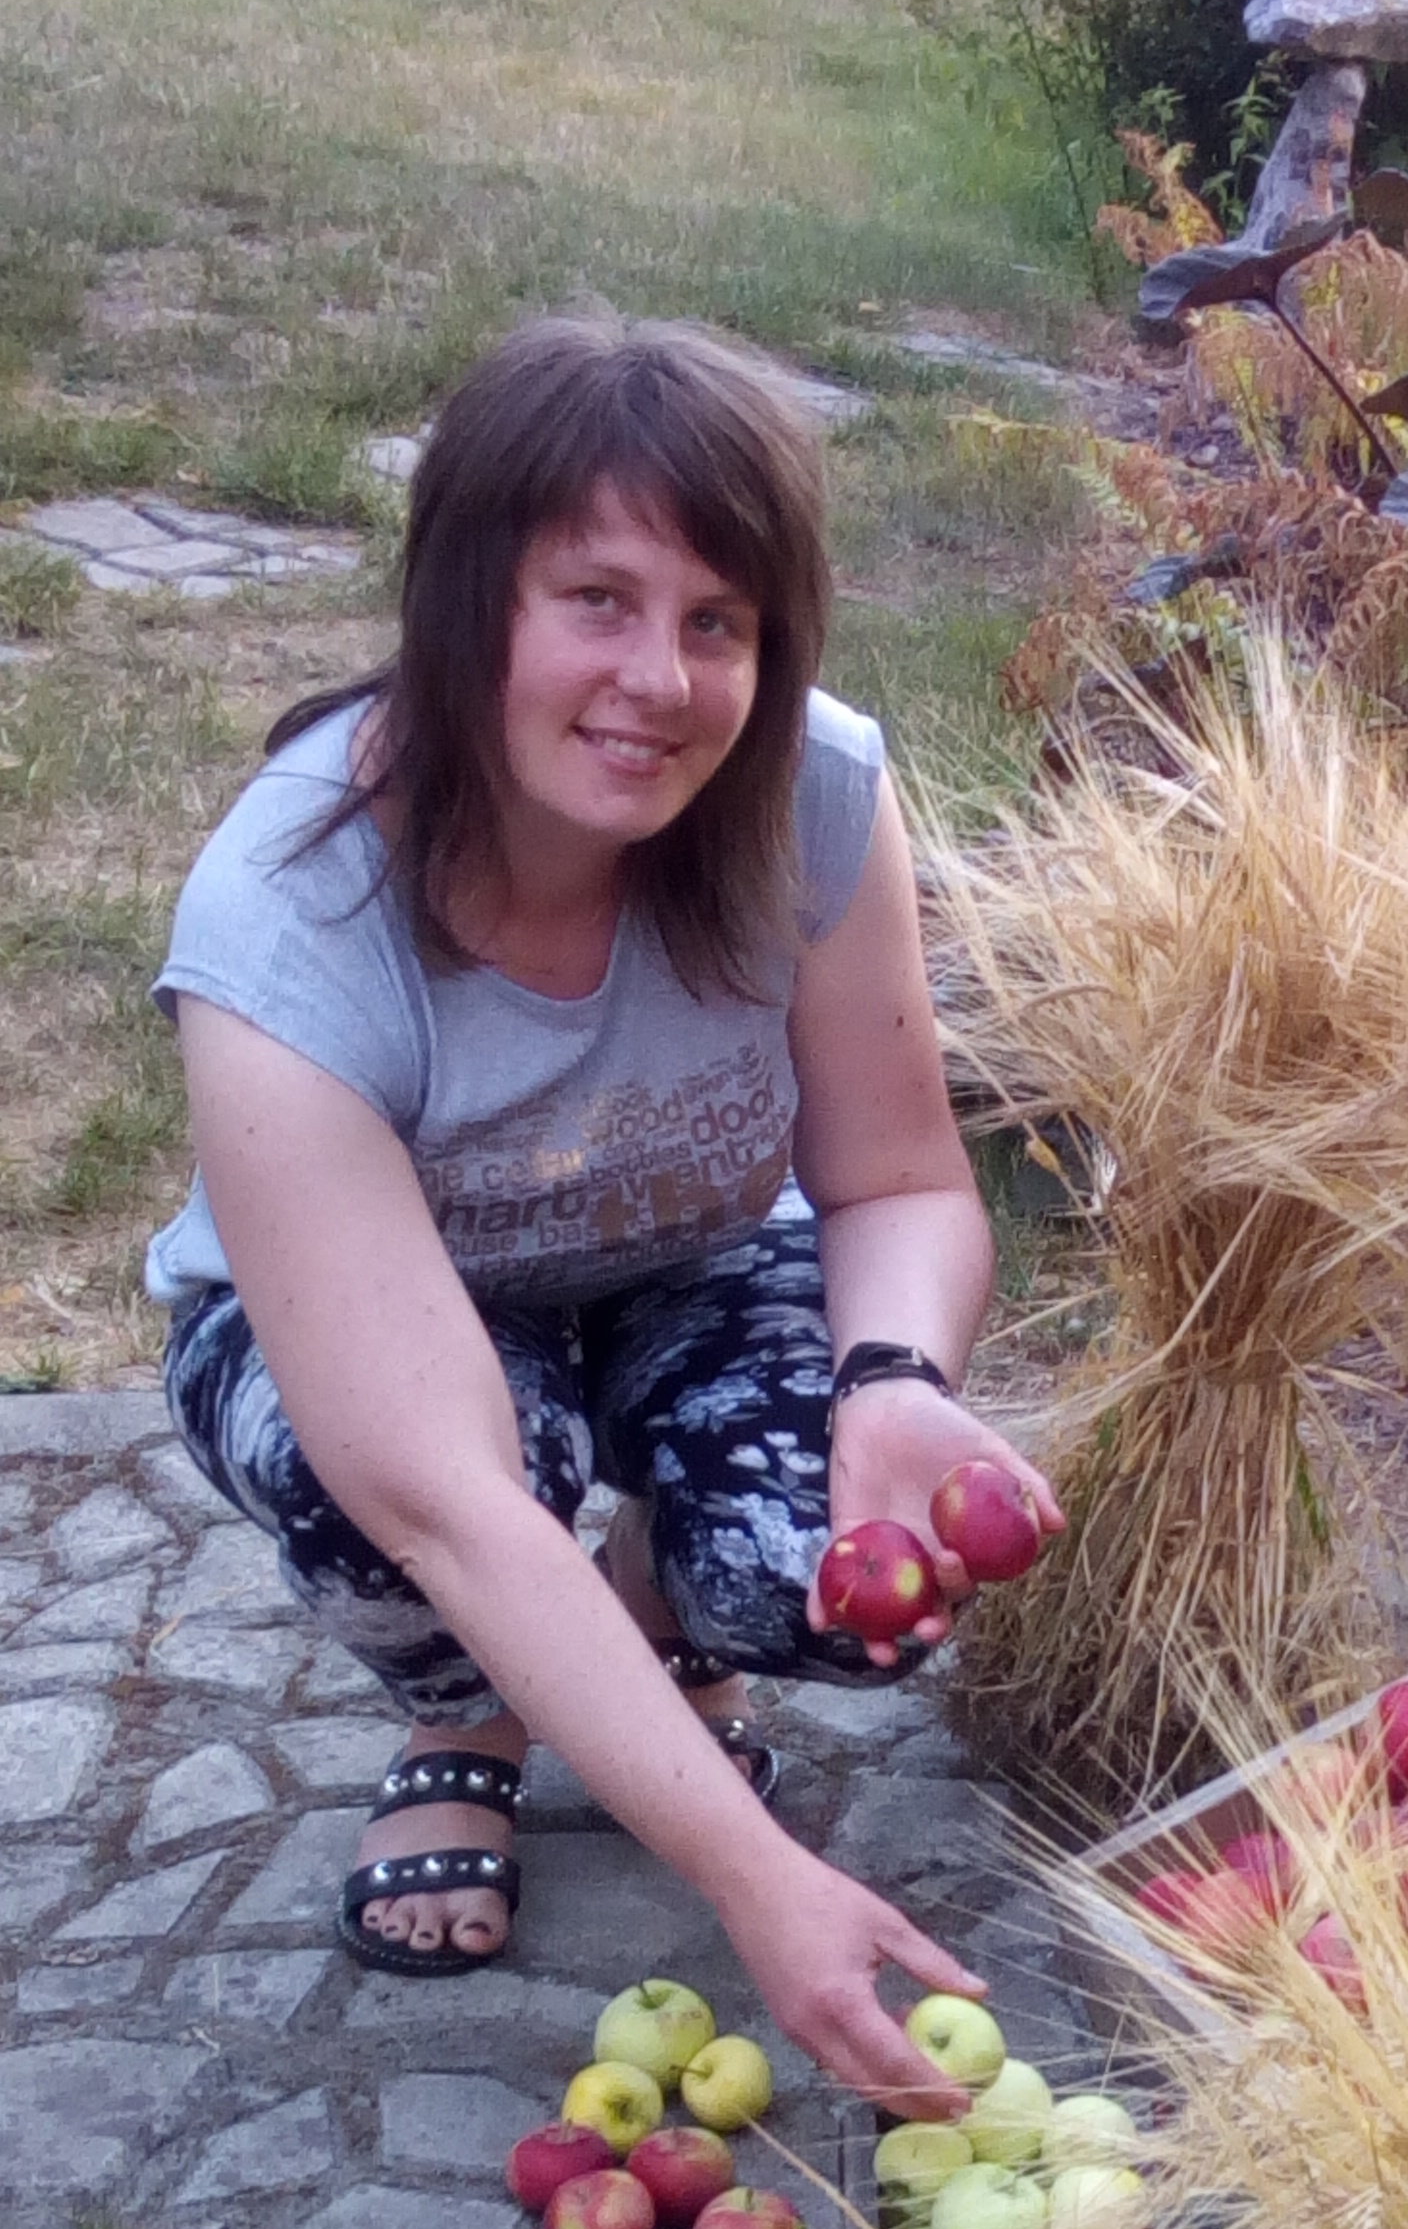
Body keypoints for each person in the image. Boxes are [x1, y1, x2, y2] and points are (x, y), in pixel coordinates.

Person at [146, 311, 1061, 2114]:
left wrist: (889, 1379)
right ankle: (470, 1712)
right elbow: (449, 1494)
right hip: (398, 1322)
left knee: (835, 1583)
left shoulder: (813, 793)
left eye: (718, 621)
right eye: (597, 601)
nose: (661, 679)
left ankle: (638, 1612)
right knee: (376, 1504)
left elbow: (894, 1175)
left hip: (695, 1259)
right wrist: (753, 1877)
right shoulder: (286, 913)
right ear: (466, 600)